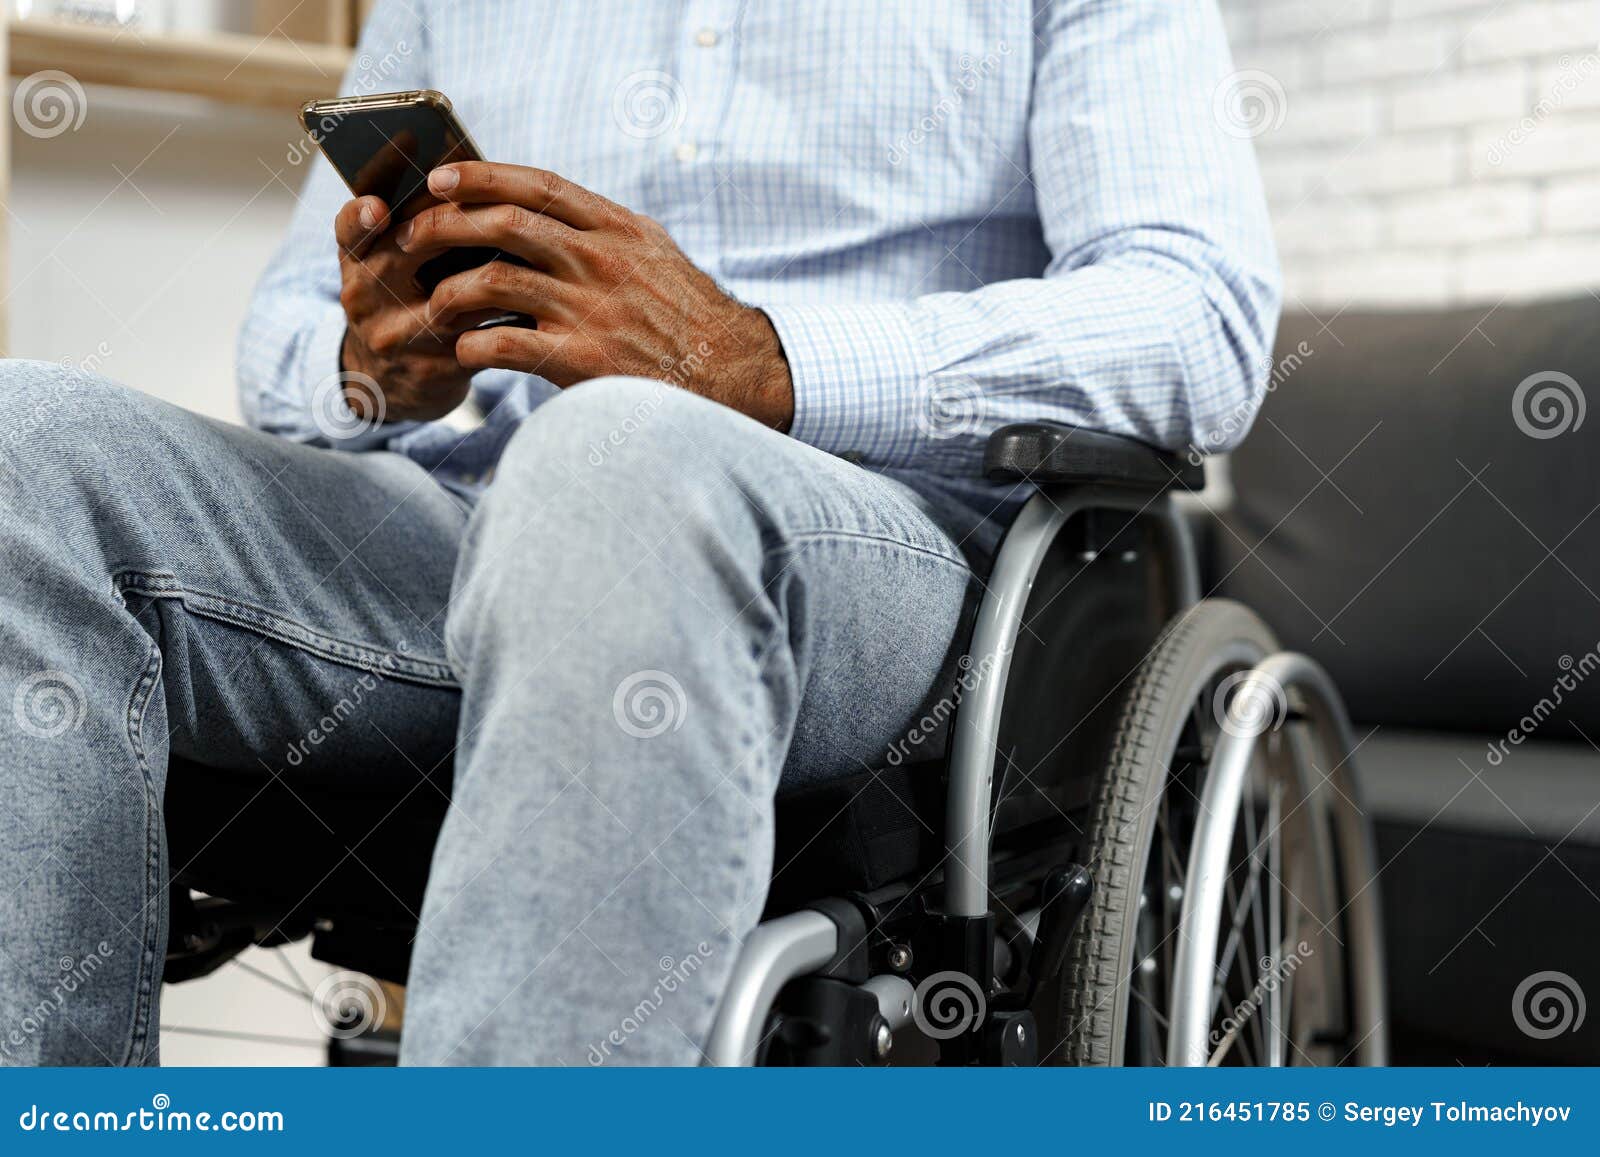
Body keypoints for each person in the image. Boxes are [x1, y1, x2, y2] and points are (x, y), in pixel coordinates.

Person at [0, 0, 1278, 1065]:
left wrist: (759, 360)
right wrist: (379, 366)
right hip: (456, 514)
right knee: (22, 444)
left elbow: (1195, 319)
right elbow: (287, 341)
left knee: (612, 452)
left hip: (866, 537)